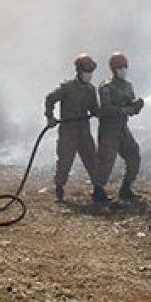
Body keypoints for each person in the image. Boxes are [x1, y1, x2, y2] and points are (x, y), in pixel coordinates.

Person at [44, 53, 109, 203]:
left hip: (84, 132)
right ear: (79, 72)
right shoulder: (67, 87)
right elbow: (50, 99)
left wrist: (102, 113)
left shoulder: (91, 89)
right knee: (65, 161)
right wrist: (50, 117)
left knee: (93, 160)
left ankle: (98, 190)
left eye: (91, 72)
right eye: (87, 72)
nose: (89, 75)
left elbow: (94, 108)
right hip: (68, 132)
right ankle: (59, 189)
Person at [97, 51, 144, 200]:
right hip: (109, 131)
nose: (123, 71)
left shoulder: (128, 86)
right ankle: (98, 191)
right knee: (106, 162)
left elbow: (131, 107)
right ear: (113, 70)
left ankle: (126, 189)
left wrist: (137, 106)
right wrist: (126, 109)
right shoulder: (106, 87)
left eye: (125, 67)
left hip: (123, 129)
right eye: (120, 68)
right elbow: (106, 109)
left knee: (134, 155)